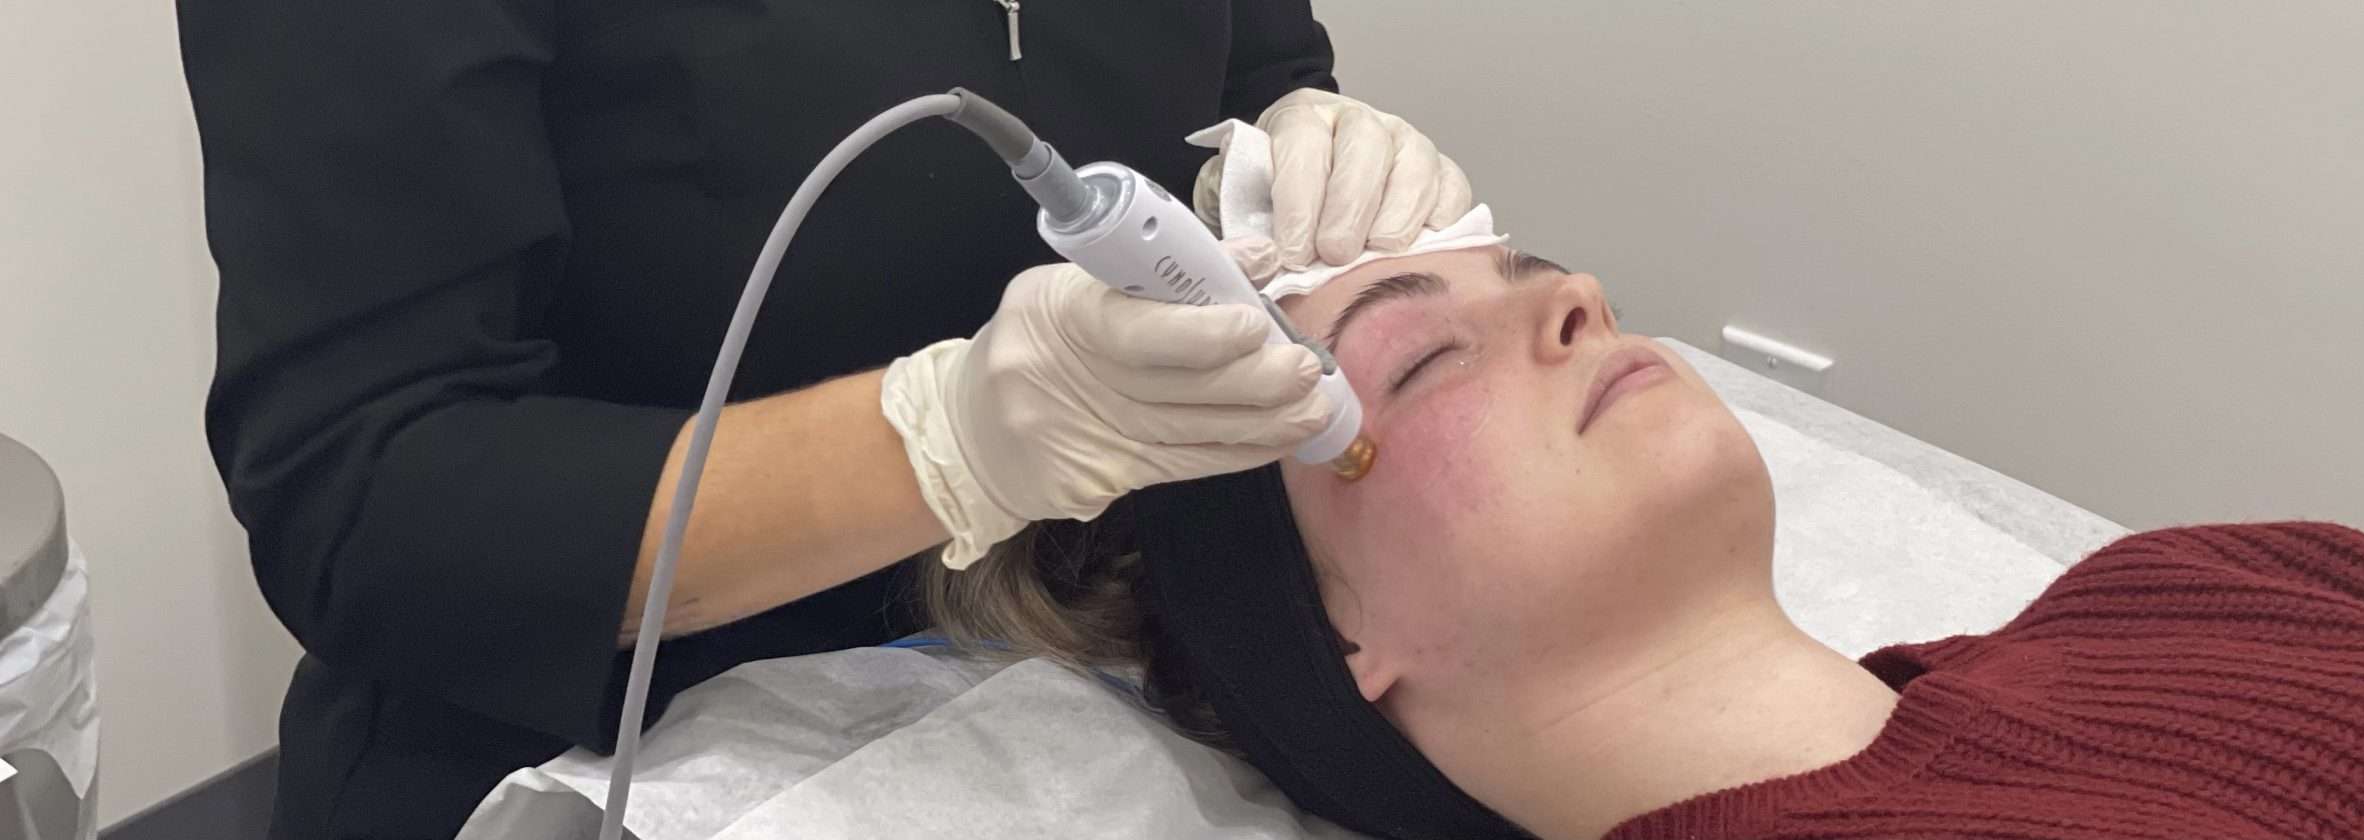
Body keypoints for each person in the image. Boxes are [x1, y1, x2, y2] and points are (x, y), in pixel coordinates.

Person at [177, 0, 1480, 834]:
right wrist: (942, 445)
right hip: (616, 750)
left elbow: (1250, 60)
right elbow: (360, 500)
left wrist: (1288, 135)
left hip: (1118, 685)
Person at [925, 245, 2364, 840]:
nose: (1575, 300)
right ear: (1343, 650)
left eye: (1545, 281)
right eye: (1423, 358)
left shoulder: (2202, 582)